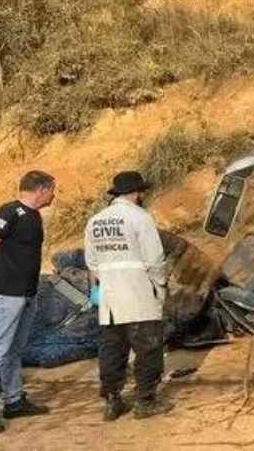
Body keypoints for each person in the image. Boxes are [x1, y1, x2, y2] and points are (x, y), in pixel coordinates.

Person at [84, 171, 172, 421]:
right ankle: (145, 401)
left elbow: (92, 262)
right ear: (136, 192)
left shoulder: (95, 221)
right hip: (139, 294)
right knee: (148, 348)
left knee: (112, 350)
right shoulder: (140, 217)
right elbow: (155, 259)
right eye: (141, 191)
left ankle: (112, 402)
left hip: (110, 299)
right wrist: (159, 286)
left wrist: (101, 288)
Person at [0, 171, 55, 433]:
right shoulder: (9, 211)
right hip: (6, 294)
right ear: (41, 190)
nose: (53, 195)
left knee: (14, 349)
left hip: (27, 294)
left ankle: (13, 400)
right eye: (51, 190)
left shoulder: (34, 216)